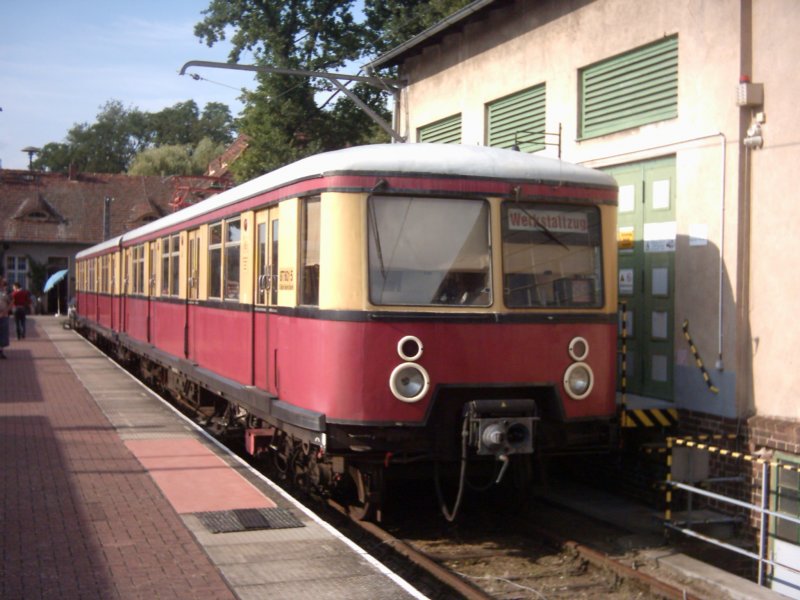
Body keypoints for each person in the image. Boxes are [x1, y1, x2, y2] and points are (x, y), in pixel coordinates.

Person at [0, 278, 10, 358]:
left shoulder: (4, 293)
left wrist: (5, 311)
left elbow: (11, 301)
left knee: (3, 334)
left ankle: (1, 351)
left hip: (3, 315)